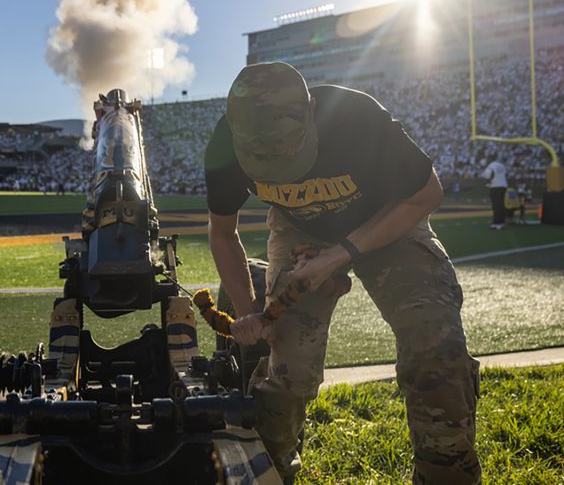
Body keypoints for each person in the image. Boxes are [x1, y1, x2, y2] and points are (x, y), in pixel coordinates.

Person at [205, 62, 480, 484]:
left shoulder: (356, 119)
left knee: (435, 342)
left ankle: (446, 474)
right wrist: (248, 312)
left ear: (312, 113)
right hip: (300, 230)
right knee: (288, 368)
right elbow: (223, 233)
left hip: (388, 220)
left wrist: (336, 256)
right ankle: (270, 471)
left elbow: (427, 194)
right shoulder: (224, 145)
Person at [482, 158, 507, 229]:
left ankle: (496, 222)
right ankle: (501, 222)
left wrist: (487, 182)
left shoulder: (491, 166)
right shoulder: (501, 165)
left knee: (496, 205)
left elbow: (488, 175)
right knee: (501, 205)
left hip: (495, 186)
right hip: (503, 186)